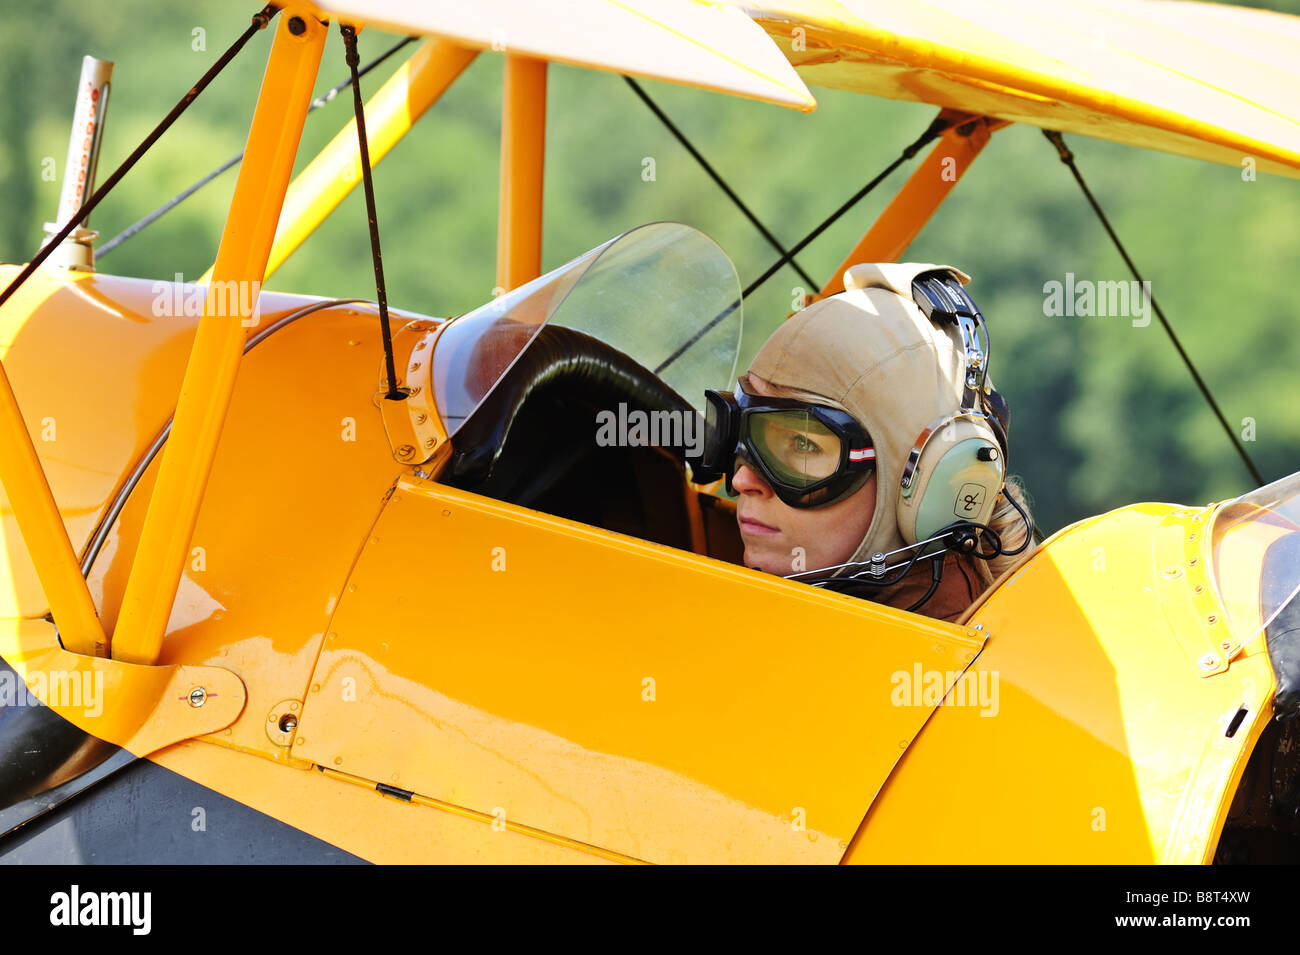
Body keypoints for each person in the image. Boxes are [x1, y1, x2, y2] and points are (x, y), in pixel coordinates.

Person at [698, 261, 1035, 622]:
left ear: (930, 485)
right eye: (742, 435)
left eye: (804, 446)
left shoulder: (964, 673)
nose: (741, 481)